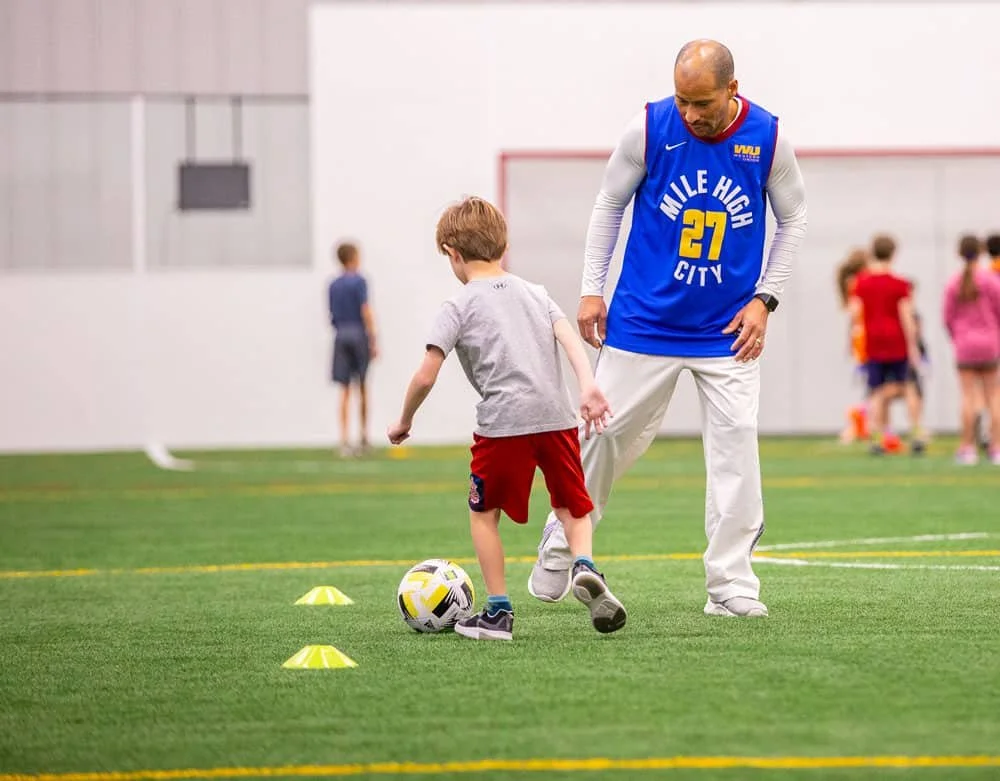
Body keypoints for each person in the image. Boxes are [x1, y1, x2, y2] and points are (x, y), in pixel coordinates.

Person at [528, 40, 807, 618]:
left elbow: (794, 215)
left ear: (733, 90)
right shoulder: (650, 129)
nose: (690, 113)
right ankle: (563, 541)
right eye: (682, 100)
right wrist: (590, 288)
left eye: (701, 102)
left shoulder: (769, 139)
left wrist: (765, 300)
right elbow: (609, 204)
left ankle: (730, 585)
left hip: (727, 331)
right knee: (603, 437)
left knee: (736, 452)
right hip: (642, 321)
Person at [387, 196, 627, 641]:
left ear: (453, 255)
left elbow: (425, 375)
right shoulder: (536, 293)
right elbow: (569, 339)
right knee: (572, 504)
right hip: (557, 418)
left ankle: (498, 612)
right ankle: (585, 566)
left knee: (484, 514)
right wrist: (589, 386)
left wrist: (404, 419)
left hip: (502, 425)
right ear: (503, 245)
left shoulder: (457, 307)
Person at [849, 235, 925, 455]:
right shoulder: (900, 284)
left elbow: (855, 314)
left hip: (873, 341)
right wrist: (913, 346)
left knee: (876, 390)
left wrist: (858, 342)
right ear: (893, 254)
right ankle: (916, 431)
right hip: (897, 340)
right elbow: (906, 316)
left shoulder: (861, 283)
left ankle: (876, 436)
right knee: (908, 386)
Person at [942, 235, 1000, 465]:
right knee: (993, 395)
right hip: (989, 344)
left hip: (965, 345)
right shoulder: (991, 281)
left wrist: (957, 336)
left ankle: (967, 448)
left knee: (967, 396)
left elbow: (947, 317)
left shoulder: (953, 282)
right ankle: (996, 447)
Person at [328, 242, 378, 457]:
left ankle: (344, 440)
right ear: (353, 257)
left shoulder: (333, 284)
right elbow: (365, 309)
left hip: (341, 335)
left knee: (345, 389)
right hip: (358, 334)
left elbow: (331, 314)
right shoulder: (359, 280)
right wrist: (373, 338)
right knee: (363, 386)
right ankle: (364, 436)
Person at [835, 248, 871, 444]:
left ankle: (862, 422)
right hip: (867, 336)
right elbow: (856, 312)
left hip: (859, 336)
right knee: (874, 382)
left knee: (870, 382)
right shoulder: (860, 285)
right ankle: (857, 422)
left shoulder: (852, 284)